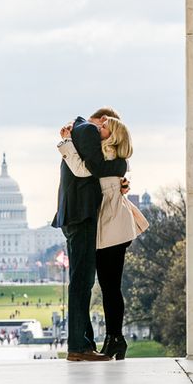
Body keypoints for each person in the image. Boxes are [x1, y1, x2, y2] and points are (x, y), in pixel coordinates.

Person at [58, 116, 149, 360]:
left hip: (112, 227)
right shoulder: (105, 158)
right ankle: (102, 341)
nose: (99, 126)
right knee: (93, 284)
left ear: (113, 135)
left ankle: (114, 338)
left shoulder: (112, 161)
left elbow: (87, 170)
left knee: (109, 286)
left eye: (105, 125)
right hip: (97, 226)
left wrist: (67, 141)